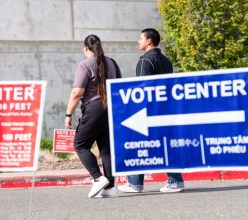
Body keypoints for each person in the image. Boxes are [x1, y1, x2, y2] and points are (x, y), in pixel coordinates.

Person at [118, 28, 185, 193]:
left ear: (149, 41)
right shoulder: (166, 61)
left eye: (140, 38)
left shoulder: (145, 61)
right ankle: (175, 181)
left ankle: (135, 183)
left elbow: (143, 91)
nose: (138, 42)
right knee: (166, 146)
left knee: (137, 145)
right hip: (166, 110)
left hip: (148, 113)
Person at [65, 34, 119, 198]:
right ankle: (110, 187)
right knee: (106, 148)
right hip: (111, 107)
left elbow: (77, 92)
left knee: (80, 144)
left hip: (94, 108)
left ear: (85, 48)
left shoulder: (84, 65)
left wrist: (69, 114)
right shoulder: (111, 62)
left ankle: (97, 178)